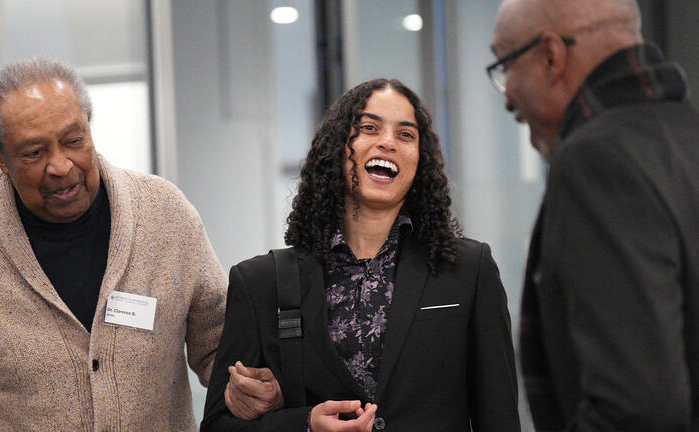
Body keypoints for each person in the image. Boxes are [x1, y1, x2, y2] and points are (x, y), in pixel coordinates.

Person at [0, 56, 260, 431]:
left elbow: (221, 348)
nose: (61, 166)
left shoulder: (165, 215)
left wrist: (248, 386)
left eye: (74, 141)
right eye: (35, 153)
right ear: (0, 158)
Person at [201, 79, 520, 431]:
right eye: (369, 128)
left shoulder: (468, 270)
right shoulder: (261, 282)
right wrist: (305, 424)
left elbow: (499, 416)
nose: (387, 142)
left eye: (406, 135)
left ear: (420, 160)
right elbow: (218, 425)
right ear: (338, 147)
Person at [489, 0, 699, 430]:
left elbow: (637, 409)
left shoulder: (595, 160)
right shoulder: (686, 135)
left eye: (506, 65)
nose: (507, 94)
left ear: (552, 56)